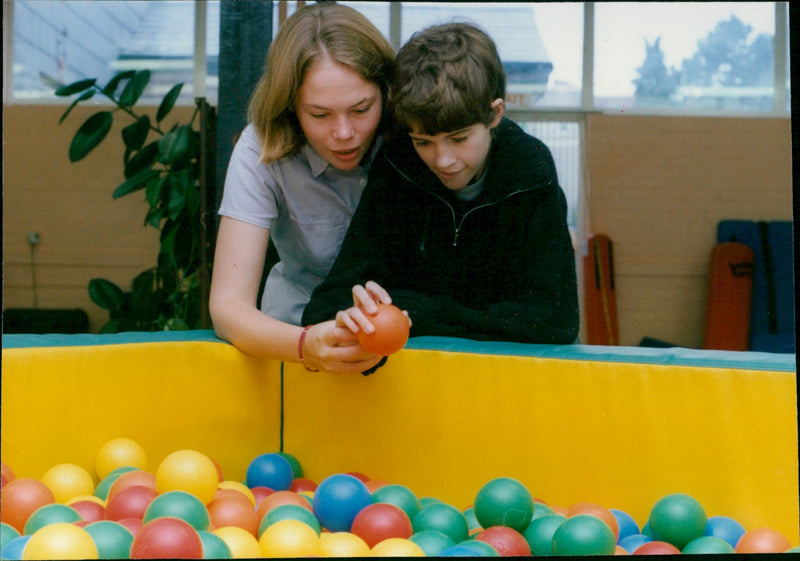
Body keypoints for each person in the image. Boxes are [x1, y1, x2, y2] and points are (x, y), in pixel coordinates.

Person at [303, 21, 579, 351]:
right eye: (423, 142)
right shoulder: (398, 162)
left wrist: (415, 310)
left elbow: (554, 321)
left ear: (495, 114)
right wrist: (348, 314)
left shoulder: (531, 169)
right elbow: (324, 305)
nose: (443, 160)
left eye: (459, 138)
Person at [209, 3, 395, 373]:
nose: (344, 133)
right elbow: (227, 307)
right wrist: (303, 345)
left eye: (361, 109)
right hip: (293, 337)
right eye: (320, 114)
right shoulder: (261, 145)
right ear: (290, 106)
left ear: (386, 94)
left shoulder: (412, 135)